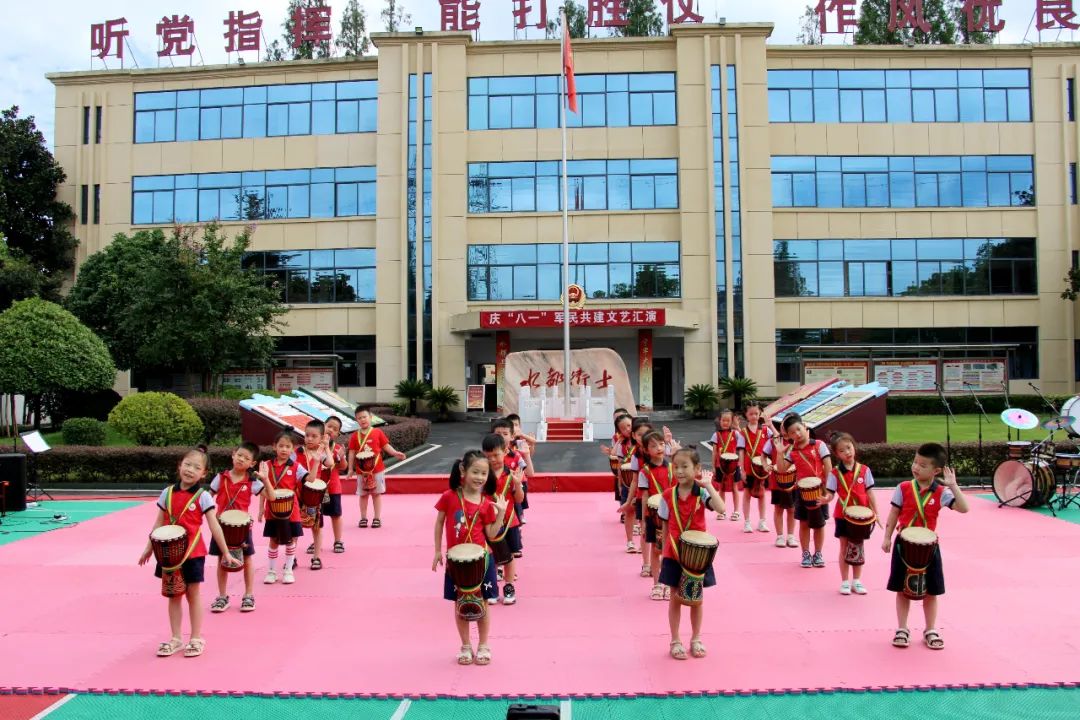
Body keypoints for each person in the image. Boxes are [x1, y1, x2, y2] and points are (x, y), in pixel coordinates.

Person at [139, 446, 240, 658]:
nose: (190, 470)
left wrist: (226, 552)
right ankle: (176, 638)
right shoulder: (167, 493)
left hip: (193, 553)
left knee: (193, 595)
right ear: (179, 466)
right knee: (173, 595)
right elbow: (158, 523)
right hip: (169, 555)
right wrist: (149, 549)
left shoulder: (203, 497)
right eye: (187, 464)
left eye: (196, 467)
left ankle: (196, 638)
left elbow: (214, 526)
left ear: (204, 473)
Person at [881, 443, 969, 650]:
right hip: (903, 545)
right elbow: (893, 513)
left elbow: (964, 508)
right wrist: (886, 538)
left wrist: (953, 485)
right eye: (915, 462)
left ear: (936, 471)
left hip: (929, 548)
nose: (916, 467)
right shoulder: (903, 488)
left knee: (931, 591)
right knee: (901, 589)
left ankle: (930, 629)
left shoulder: (941, 492)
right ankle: (902, 628)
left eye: (922, 465)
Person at [432, 451, 507, 666]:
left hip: (483, 560)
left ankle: (483, 645)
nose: (480, 477)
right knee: (460, 603)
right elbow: (439, 522)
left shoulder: (486, 502)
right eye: (475, 472)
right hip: (456, 561)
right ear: (463, 470)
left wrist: (501, 513)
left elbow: (491, 533)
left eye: (484, 473)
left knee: (483, 603)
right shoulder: (449, 496)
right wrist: (437, 550)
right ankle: (465, 645)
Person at [657, 447, 724, 660]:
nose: (679, 471)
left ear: (697, 469)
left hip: (697, 556)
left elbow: (721, 508)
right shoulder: (667, 495)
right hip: (674, 553)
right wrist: (663, 552)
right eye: (676, 466)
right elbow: (664, 525)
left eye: (685, 466)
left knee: (697, 598)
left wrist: (709, 485)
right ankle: (675, 640)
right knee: (675, 598)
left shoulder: (701, 493)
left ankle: (696, 638)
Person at [208, 441, 267, 614]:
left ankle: (248, 595)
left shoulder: (252, 482)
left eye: (246, 458)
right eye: (239, 455)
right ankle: (222, 596)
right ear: (233, 454)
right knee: (221, 559)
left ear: (252, 463)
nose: (241, 459)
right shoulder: (220, 477)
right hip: (221, 527)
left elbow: (270, 496)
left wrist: (265, 480)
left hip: (242, 528)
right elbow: (207, 497)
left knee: (247, 559)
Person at [824, 432, 883, 595]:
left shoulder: (864, 470)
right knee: (844, 546)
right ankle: (844, 581)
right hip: (843, 515)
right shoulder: (835, 473)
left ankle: (856, 580)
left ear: (854, 447)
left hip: (862, 516)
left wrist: (876, 513)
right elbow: (830, 493)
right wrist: (826, 499)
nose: (847, 452)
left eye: (849, 448)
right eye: (842, 451)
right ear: (837, 454)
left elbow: (870, 493)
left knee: (858, 546)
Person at [776, 414, 831, 568]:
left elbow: (828, 467)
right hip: (802, 492)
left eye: (799, 429)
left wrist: (828, 490)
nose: (797, 434)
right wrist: (779, 453)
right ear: (788, 436)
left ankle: (818, 553)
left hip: (819, 491)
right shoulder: (792, 451)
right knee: (804, 523)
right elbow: (781, 469)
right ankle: (805, 553)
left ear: (805, 427)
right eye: (792, 432)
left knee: (819, 524)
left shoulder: (819, 445)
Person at [481, 433, 525, 605]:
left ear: (505, 451)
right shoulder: (481, 475)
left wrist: (518, 484)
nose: (492, 459)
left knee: (509, 556)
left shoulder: (512, 474)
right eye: (488, 456)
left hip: (509, 522)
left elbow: (519, 499)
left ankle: (509, 586)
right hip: (490, 523)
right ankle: (492, 588)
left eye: (496, 455)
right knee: (490, 556)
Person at [260, 431, 307, 585]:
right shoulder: (266, 465)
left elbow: (311, 479)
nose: (284, 449)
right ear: (274, 447)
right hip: (272, 509)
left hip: (291, 510)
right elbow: (262, 489)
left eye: (288, 446)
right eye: (281, 446)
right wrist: (260, 509)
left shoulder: (297, 467)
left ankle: (288, 570)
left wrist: (317, 462)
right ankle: (271, 571)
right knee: (273, 540)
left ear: (293, 449)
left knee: (291, 540)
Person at [348, 407, 406, 529]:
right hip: (361, 472)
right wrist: (350, 469)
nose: (362, 420)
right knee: (363, 495)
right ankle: (363, 518)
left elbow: (386, 446)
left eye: (364, 417)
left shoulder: (377, 432)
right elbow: (351, 453)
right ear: (356, 420)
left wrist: (395, 453)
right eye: (359, 418)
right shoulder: (354, 436)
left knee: (376, 494)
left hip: (377, 470)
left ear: (370, 417)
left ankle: (377, 518)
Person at [636, 430, 674, 600]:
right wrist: (644, 520)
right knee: (656, 550)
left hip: (671, 516)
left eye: (661, 444)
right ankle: (657, 584)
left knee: (670, 551)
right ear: (646, 450)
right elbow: (644, 496)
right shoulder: (644, 472)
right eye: (653, 446)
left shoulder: (672, 468)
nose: (658, 448)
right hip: (653, 516)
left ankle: (669, 584)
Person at [295, 419, 335, 571]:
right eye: (307, 435)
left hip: (314, 497)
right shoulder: (297, 452)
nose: (309, 439)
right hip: (298, 494)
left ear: (321, 437)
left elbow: (330, 463)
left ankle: (316, 557)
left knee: (316, 528)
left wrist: (326, 447)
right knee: (295, 528)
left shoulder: (320, 452)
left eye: (314, 436)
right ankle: (292, 558)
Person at [740, 402, 774, 534]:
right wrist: (742, 470)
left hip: (763, 467)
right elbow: (741, 452)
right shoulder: (743, 432)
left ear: (760, 414)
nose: (754, 416)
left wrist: (771, 425)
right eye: (751, 414)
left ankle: (762, 521)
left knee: (762, 494)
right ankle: (747, 522)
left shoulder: (765, 430)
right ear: (746, 415)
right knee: (747, 493)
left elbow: (777, 439)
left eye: (756, 413)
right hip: (749, 467)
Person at [316, 415, 348, 554]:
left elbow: (343, 467)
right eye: (329, 426)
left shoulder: (337, 448)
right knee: (316, 516)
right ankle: (316, 542)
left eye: (335, 429)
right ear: (323, 425)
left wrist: (340, 457)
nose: (331, 430)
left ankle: (338, 541)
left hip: (333, 488)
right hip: (315, 488)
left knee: (336, 514)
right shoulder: (314, 445)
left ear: (337, 434)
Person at [710, 410, 745, 522]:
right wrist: (713, 466)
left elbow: (744, 439)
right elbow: (714, 452)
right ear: (719, 421)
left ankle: (736, 511)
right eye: (723, 420)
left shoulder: (735, 433)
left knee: (735, 488)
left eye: (728, 421)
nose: (725, 423)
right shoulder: (716, 435)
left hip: (734, 466)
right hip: (720, 466)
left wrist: (737, 427)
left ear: (731, 422)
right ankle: (722, 511)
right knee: (721, 488)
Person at [602, 413, 634, 508]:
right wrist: (619, 484)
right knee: (626, 508)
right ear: (620, 432)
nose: (627, 429)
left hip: (640, 480)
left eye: (629, 425)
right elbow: (615, 455)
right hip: (626, 481)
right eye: (623, 429)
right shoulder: (622, 444)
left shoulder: (641, 440)